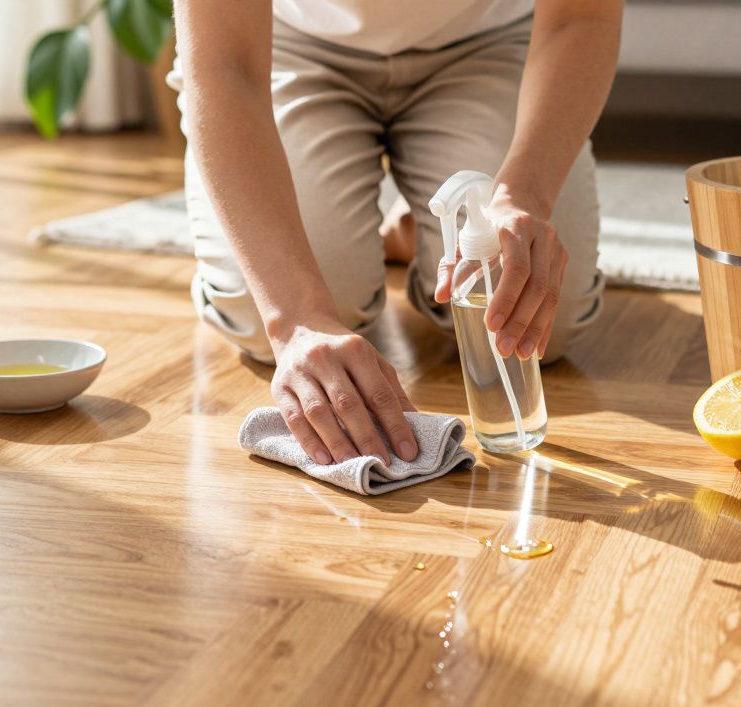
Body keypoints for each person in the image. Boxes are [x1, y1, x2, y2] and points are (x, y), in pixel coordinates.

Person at [169, 0, 623, 466]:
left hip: (489, 42)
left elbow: (582, 17)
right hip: (285, 48)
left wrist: (521, 197)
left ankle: (414, 231)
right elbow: (226, 65)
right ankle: (411, 232)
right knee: (261, 308)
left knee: (538, 307)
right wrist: (295, 320)